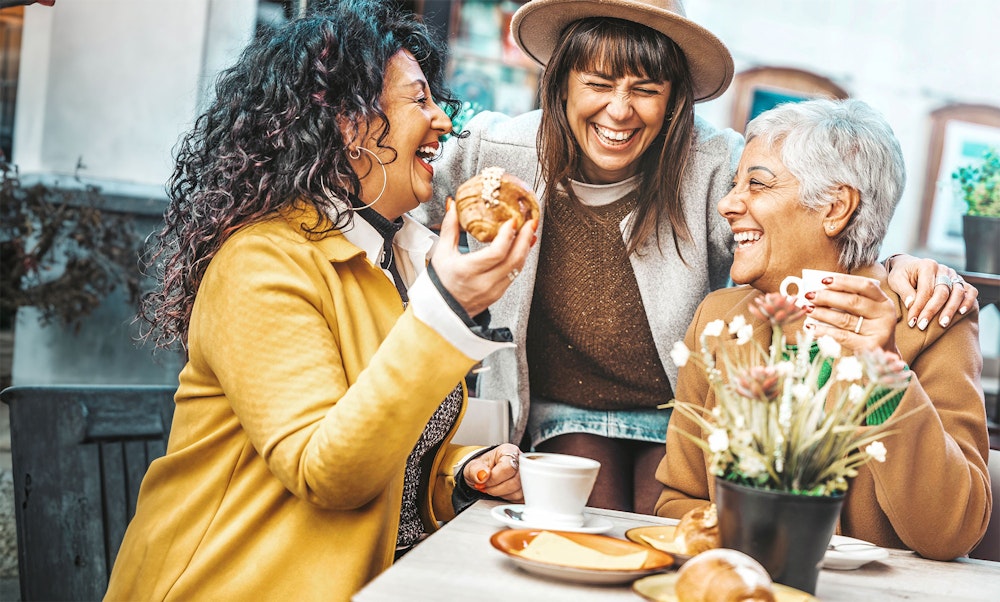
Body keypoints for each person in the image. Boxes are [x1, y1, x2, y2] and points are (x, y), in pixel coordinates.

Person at [414, 0, 978, 514]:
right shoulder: (494, 151)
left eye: (647, 88)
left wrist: (896, 264)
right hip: (559, 405)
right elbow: (396, 196)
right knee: (587, 516)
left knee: (664, 521)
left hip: (679, 406)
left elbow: (804, 225)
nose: (619, 110)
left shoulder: (715, 165)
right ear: (560, 82)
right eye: (599, 82)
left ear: (675, 97)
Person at [105, 2, 534, 600]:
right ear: (348, 124)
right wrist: (446, 313)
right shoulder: (261, 262)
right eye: (418, 100)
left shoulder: (399, 258)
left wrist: (457, 474)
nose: (443, 120)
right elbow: (326, 472)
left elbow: (384, 448)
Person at [654, 98, 991, 560]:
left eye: (756, 184)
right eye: (735, 184)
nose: (727, 205)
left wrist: (885, 372)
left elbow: (952, 531)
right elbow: (677, 501)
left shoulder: (930, 319)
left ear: (836, 207)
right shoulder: (719, 320)